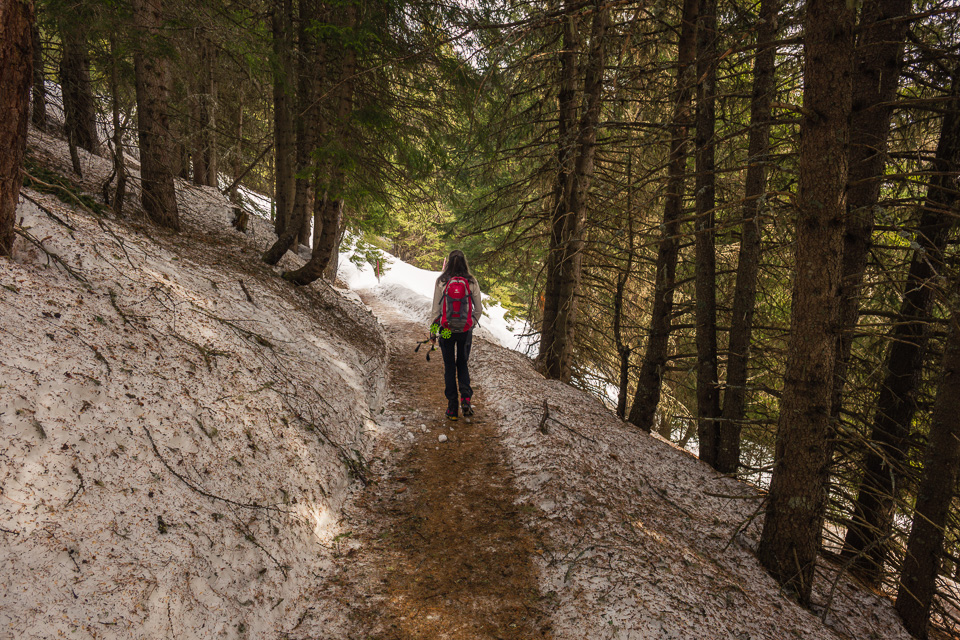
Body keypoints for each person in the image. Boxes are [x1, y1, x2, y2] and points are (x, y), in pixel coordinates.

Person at [429, 250, 483, 420]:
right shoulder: (471, 281)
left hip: (446, 329)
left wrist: (433, 331)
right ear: (464, 262)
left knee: (449, 367)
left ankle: (452, 408)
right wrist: (470, 324)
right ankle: (466, 399)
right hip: (465, 330)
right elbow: (478, 309)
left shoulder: (442, 281)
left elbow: (436, 310)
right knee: (462, 364)